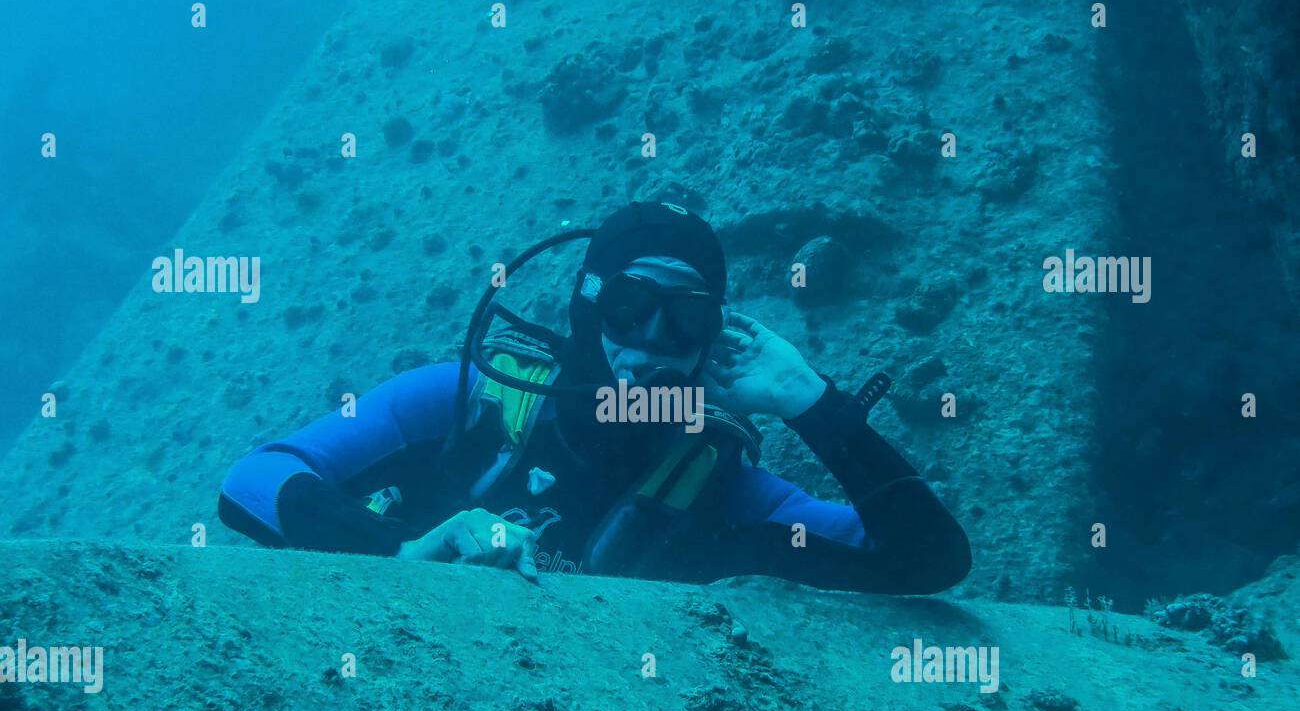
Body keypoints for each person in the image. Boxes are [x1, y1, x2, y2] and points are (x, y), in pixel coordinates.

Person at [218, 201, 971, 594]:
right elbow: (250, 478)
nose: (649, 342)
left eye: (684, 319)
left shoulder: (722, 484)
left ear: (711, 339)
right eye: (627, 309)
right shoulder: (468, 402)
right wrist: (403, 549)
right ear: (587, 311)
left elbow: (924, 558)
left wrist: (812, 402)